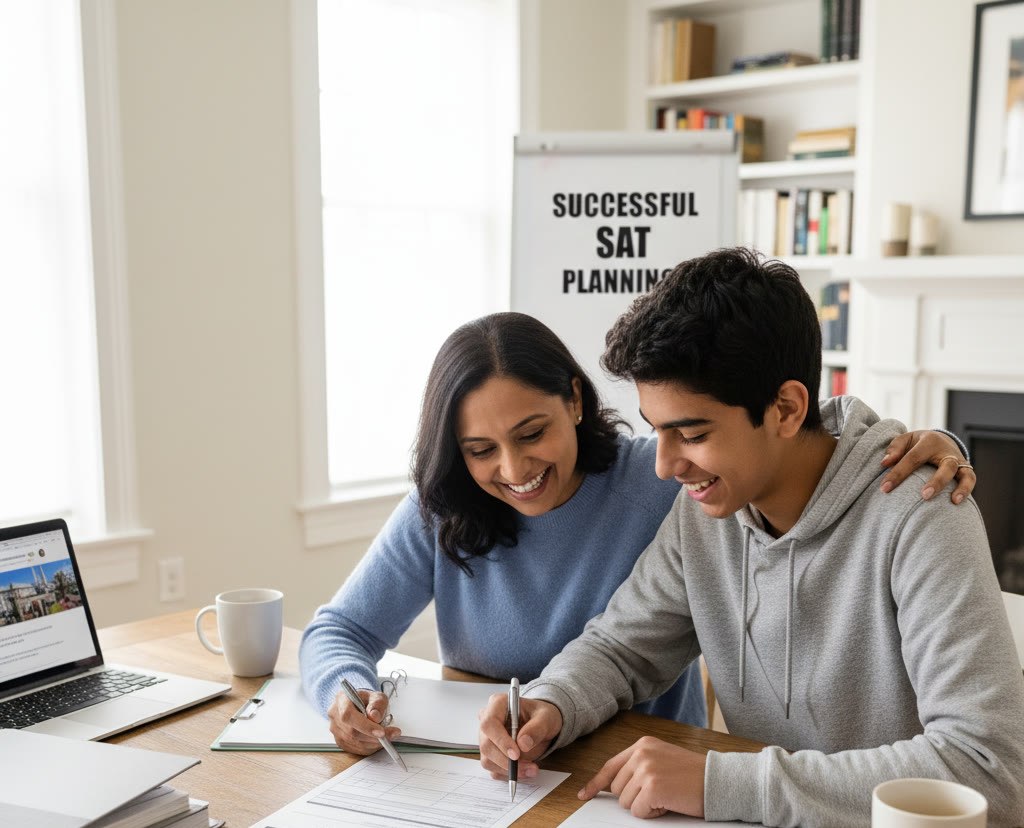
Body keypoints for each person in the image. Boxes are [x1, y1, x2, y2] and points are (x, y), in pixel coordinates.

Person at [477, 250, 1024, 828]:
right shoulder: (708, 515)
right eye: (657, 430)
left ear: (786, 408)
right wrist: (551, 703)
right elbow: (622, 647)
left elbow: (988, 766)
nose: (664, 466)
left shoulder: (921, 518)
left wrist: (723, 782)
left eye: (691, 433)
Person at [302, 311, 973, 761]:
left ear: (573, 399)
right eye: (480, 448)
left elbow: (794, 444)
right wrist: (346, 691)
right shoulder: (446, 502)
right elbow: (617, 649)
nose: (512, 470)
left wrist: (926, 440)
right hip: (519, 764)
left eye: (532, 434)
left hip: (652, 763)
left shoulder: (671, 480)